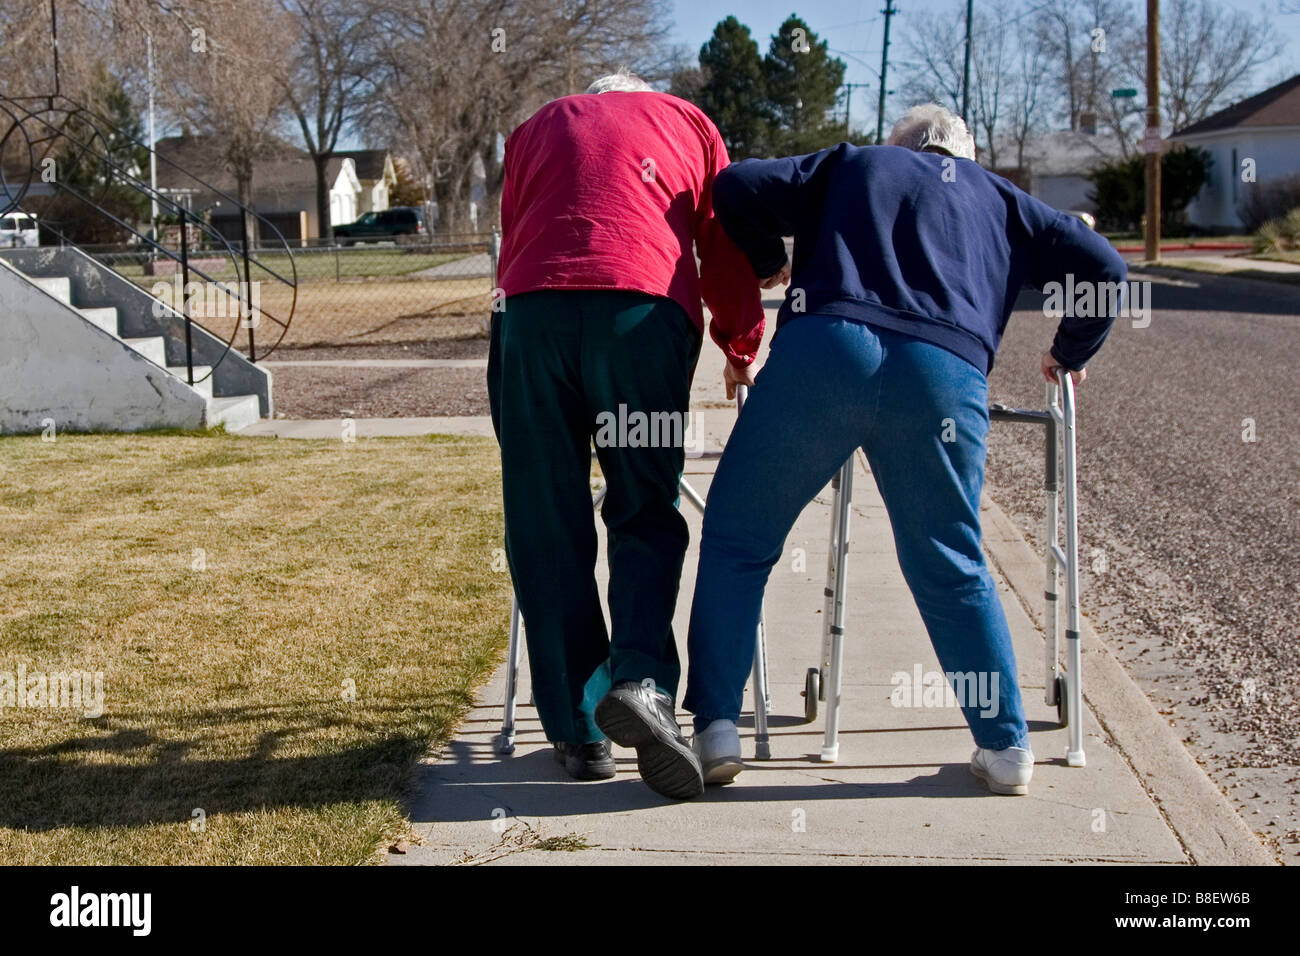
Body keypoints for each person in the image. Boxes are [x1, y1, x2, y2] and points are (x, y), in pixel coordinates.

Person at [684, 103, 1127, 795]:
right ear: (965, 156)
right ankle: (1006, 746)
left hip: (826, 348)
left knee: (740, 537)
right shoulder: (1002, 199)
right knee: (950, 561)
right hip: (943, 371)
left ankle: (716, 728)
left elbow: (735, 185)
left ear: (901, 145)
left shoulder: (853, 164)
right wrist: (1068, 352)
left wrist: (771, 260)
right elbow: (1105, 268)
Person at [487, 71, 764, 799]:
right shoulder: (688, 122)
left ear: (594, 95)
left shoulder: (536, 125)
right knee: (643, 504)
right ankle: (642, 683)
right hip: (642, 314)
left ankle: (580, 729)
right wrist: (740, 340)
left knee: (545, 519)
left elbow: (514, 235)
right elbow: (722, 237)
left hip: (532, 317)